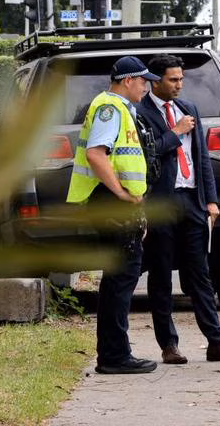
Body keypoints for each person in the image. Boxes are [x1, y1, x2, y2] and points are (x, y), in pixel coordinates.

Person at [66, 56, 161, 375]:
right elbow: (96, 154)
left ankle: (113, 353)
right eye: (143, 81)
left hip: (118, 204)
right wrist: (120, 194)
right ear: (127, 80)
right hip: (111, 201)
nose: (146, 87)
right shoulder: (110, 108)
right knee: (121, 279)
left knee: (119, 278)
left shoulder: (121, 108)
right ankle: (114, 356)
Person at [135, 54, 220, 365]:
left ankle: (217, 341)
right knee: (161, 274)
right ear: (155, 81)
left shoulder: (188, 108)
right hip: (161, 202)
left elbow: (201, 157)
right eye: (173, 79)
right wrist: (175, 132)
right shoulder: (139, 113)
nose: (179, 84)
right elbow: (146, 154)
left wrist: (211, 200)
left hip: (192, 200)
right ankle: (169, 345)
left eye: (181, 79)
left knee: (200, 273)